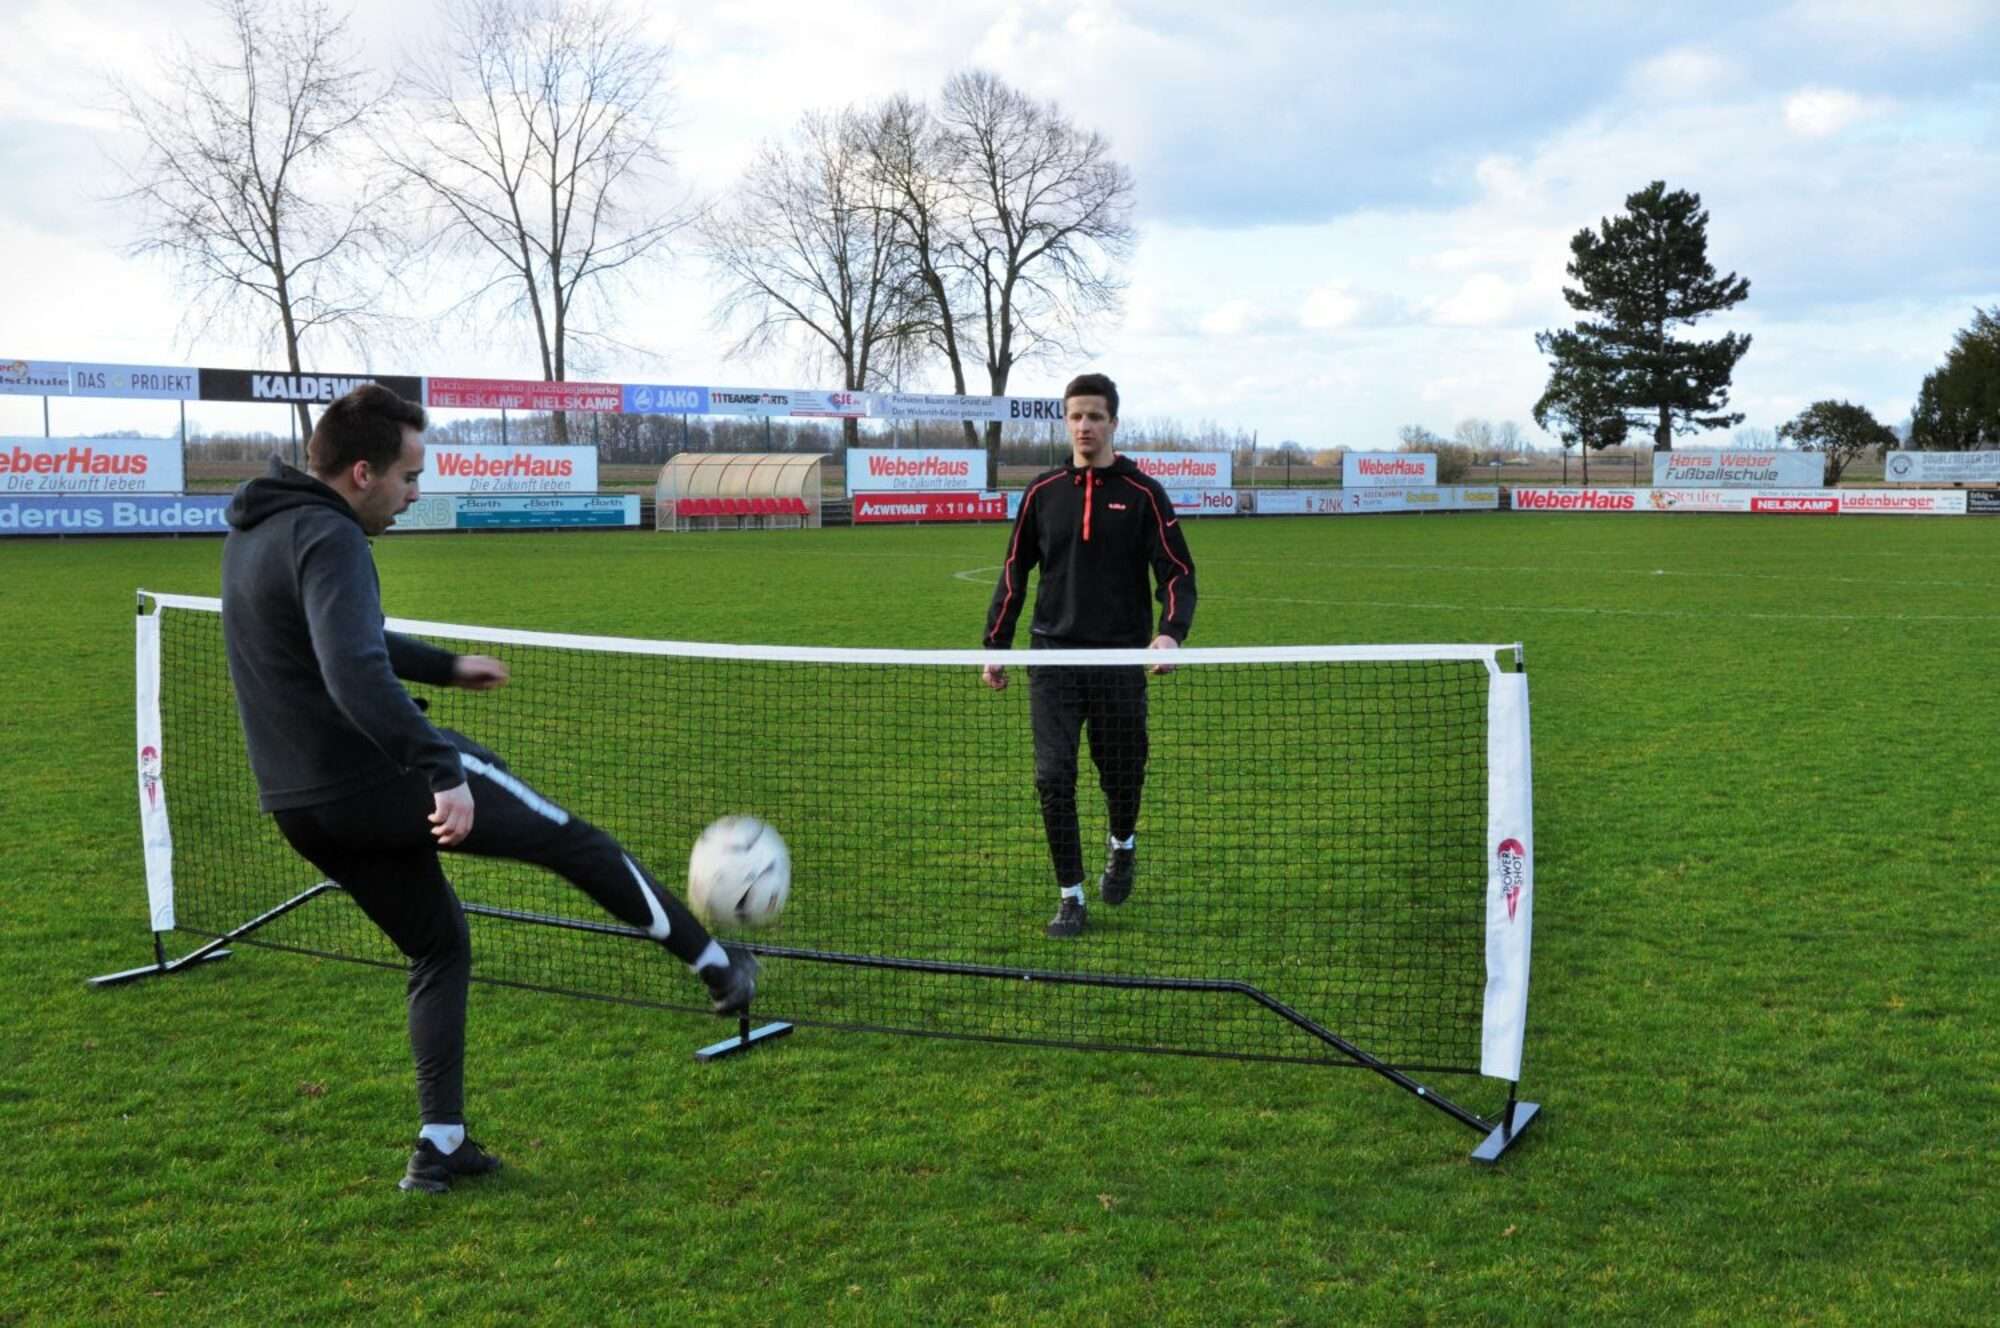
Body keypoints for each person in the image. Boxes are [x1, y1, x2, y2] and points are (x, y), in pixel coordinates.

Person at [220, 383, 756, 1194]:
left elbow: (340, 637)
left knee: (438, 946)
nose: (415, 493)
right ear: (362, 472)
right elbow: (352, 669)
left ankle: (440, 1147)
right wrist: (440, 770)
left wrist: (444, 666)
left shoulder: (258, 530)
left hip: (302, 807)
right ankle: (720, 967)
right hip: (385, 778)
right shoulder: (331, 538)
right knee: (575, 841)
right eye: (408, 476)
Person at [982, 372, 1197, 938]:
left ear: (1113, 423)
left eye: (1095, 416)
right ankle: (1070, 895)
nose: (1084, 426)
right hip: (1051, 657)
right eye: (1076, 416)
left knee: (1123, 771)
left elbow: (1177, 572)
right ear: (1066, 421)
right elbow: (1013, 573)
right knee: (1053, 777)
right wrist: (996, 646)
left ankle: (1122, 842)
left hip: (1121, 659)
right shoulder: (1042, 492)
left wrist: (1170, 633)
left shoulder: (1145, 493)